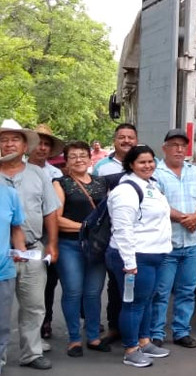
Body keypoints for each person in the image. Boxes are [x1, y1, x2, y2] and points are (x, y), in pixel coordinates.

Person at [0, 119, 60, 370]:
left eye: (14, 139)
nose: (8, 144)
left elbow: (50, 212)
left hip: (32, 249)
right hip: (2, 253)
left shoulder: (39, 174)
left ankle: (31, 353)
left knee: (34, 305)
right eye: (3, 140)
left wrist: (52, 244)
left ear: (25, 146)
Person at [106, 144, 172, 368]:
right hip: (135, 256)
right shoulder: (125, 190)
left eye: (151, 161)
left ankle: (144, 341)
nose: (148, 165)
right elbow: (123, 229)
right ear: (131, 164)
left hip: (154, 253)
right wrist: (130, 262)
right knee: (133, 304)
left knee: (147, 300)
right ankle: (131, 348)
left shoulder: (152, 185)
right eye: (142, 162)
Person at [150, 129, 196, 348]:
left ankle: (181, 331)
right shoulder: (155, 173)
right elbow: (156, 204)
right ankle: (157, 332)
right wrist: (183, 218)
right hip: (167, 244)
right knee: (161, 291)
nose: (179, 149)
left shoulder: (195, 172)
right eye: (174, 144)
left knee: (187, 291)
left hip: (193, 243)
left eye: (182, 145)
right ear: (164, 148)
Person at [52, 141, 110, 357]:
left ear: (90, 158)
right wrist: (86, 228)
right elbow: (57, 219)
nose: (79, 159)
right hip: (70, 245)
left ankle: (94, 336)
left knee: (94, 292)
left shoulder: (101, 183)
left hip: (96, 246)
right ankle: (74, 339)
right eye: (73, 156)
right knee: (73, 291)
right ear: (66, 161)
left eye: (83, 155)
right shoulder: (60, 183)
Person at [94, 123, 138, 343]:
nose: (126, 141)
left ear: (136, 140)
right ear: (114, 140)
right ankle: (115, 327)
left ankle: (138, 331)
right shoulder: (102, 167)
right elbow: (95, 201)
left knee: (141, 284)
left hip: (141, 236)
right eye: (122, 137)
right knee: (115, 284)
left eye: (131, 137)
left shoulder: (149, 164)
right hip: (112, 236)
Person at [28, 124, 63, 342]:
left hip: (48, 235)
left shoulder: (56, 173)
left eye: (46, 144)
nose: (42, 148)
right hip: (22, 236)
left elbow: (57, 207)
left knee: (48, 282)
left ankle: (45, 321)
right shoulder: (16, 168)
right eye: (38, 143)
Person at [0, 148, 27, 376]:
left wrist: (22, 252)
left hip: (3, 270)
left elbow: (16, 229)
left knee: (1, 324)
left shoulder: (8, 193)